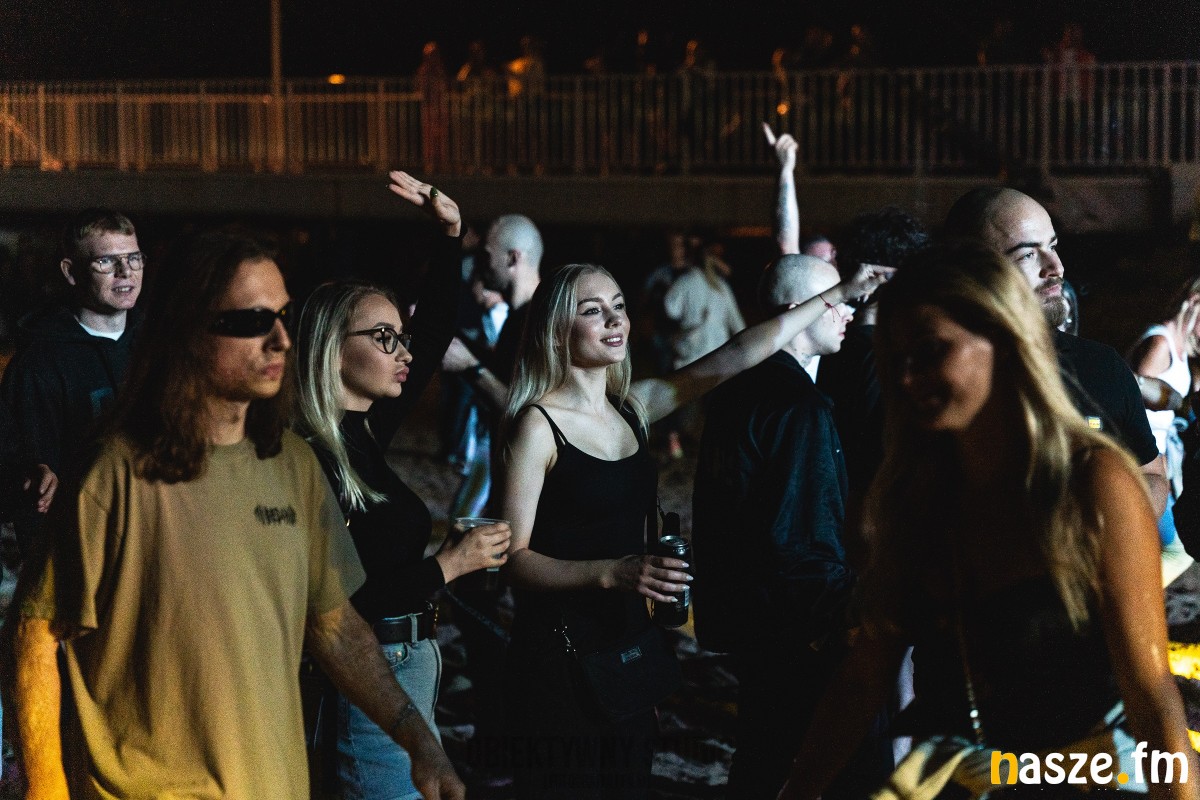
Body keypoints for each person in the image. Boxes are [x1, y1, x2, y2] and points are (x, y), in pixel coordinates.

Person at [13, 224, 464, 800]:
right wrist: (46, 789)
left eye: (283, 316)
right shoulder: (114, 471)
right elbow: (35, 636)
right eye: (252, 321)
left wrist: (417, 738)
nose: (280, 340)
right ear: (189, 330)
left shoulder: (293, 464)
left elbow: (335, 626)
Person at [779, 241, 1198, 800]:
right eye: (894, 359)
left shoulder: (1093, 482)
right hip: (963, 778)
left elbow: (1150, 692)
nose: (908, 377)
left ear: (1005, 340)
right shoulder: (915, 496)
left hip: (1084, 776)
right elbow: (865, 674)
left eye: (930, 350)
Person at [500, 259, 893, 798]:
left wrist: (842, 292)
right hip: (558, 654)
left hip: (627, 646)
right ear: (555, 330)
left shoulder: (632, 410)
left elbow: (738, 352)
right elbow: (513, 560)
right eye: (592, 311)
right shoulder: (537, 426)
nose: (614, 320)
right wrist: (614, 572)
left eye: (619, 306)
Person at [293, 172, 510, 799]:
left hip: (411, 666)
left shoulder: (363, 429)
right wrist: (450, 565)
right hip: (363, 679)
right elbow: (337, 607)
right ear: (333, 349)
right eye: (384, 338)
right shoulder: (310, 455)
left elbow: (435, 331)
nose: (403, 352)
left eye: (400, 336)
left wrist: (449, 235)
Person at [691, 254, 890, 799]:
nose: (848, 312)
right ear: (797, 310)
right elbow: (799, 537)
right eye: (836, 301)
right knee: (849, 765)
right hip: (798, 626)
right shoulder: (798, 406)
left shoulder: (738, 389)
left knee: (763, 752)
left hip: (750, 615)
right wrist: (847, 612)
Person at [942, 188, 1169, 528]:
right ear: (972, 271)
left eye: (1053, 246)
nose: (1056, 267)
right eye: (1027, 255)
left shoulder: (1100, 366)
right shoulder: (943, 377)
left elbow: (1151, 474)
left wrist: (1104, 523)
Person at [1, 207, 143, 552]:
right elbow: (17, 470)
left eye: (134, 258)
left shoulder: (161, 347)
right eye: (106, 261)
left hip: (155, 540)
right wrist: (30, 476)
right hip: (81, 550)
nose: (126, 272)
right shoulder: (39, 365)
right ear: (70, 272)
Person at [1127, 275, 1200, 581]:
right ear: (1194, 303)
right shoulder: (1160, 343)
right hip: (1141, 459)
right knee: (1176, 549)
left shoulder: (1181, 350)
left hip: (1158, 459)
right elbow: (1131, 405)